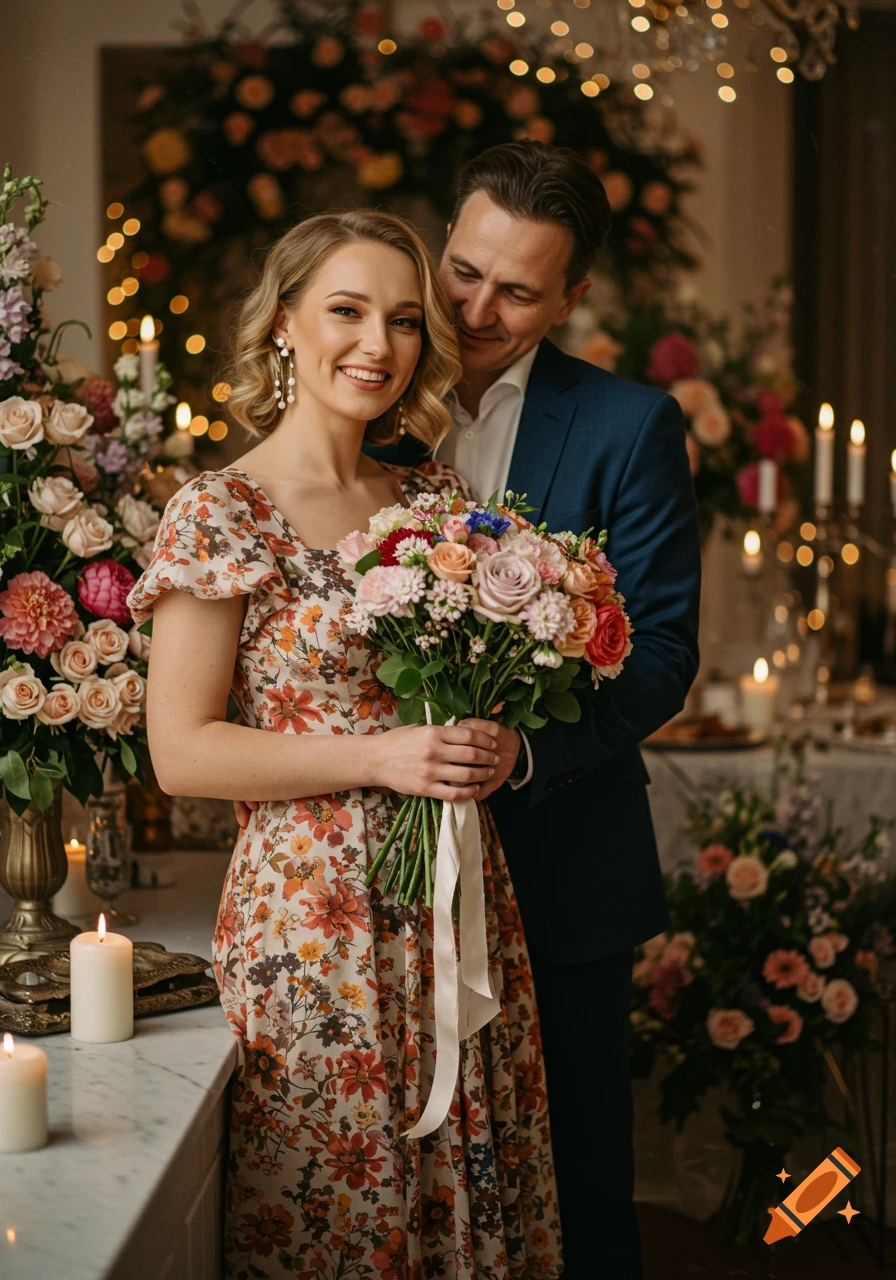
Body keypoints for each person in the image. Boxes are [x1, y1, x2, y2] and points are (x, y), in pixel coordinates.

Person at [128, 210, 563, 1280]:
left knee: (465, 1191)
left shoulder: (437, 500)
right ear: (282, 322)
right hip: (309, 927)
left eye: (404, 319)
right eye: (346, 309)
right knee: (340, 1210)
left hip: (454, 902)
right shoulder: (219, 510)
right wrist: (378, 757)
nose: (377, 342)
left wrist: (490, 737)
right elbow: (180, 752)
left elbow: (463, 688)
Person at [366, 142, 702, 1279]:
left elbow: (659, 652)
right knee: (406, 1180)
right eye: (462, 271)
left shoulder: (628, 425)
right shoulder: (356, 399)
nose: (474, 309)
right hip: (381, 878)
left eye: (516, 291)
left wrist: (521, 750)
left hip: (564, 865)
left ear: (571, 297)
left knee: (580, 1182)